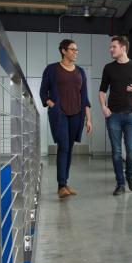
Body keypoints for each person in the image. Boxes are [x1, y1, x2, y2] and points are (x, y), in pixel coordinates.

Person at [40, 38, 93, 198]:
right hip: (60, 113)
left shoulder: (80, 71)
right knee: (63, 146)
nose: (75, 52)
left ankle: (65, 183)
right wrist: (52, 105)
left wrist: (88, 119)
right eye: (72, 49)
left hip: (77, 114)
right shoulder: (51, 69)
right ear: (63, 51)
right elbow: (43, 92)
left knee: (69, 148)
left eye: (76, 50)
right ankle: (61, 185)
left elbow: (84, 97)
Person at [99, 36, 132, 195]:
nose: (111, 49)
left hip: (131, 115)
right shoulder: (108, 68)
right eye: (110, 47)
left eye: (113, 47)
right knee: (117, 151)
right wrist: (103, 107)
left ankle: (129, 176)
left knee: (131, 150)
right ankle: (120, 184)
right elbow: (102, 91)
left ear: (123, 48)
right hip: (114, 116)